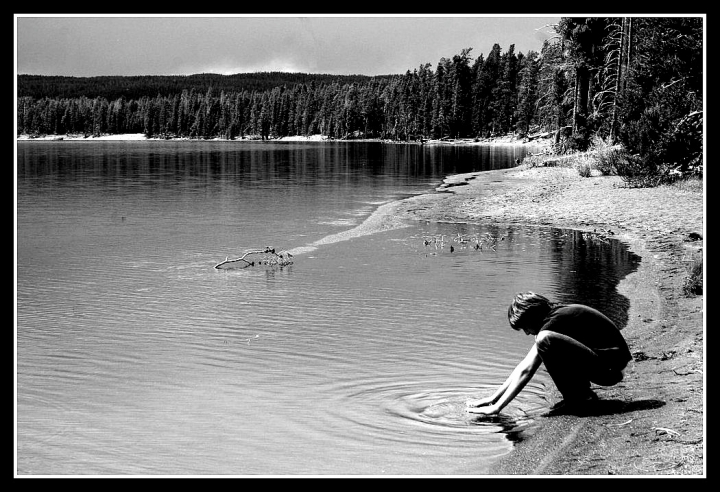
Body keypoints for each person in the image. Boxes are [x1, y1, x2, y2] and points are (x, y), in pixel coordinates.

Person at [467, 292, 632, 416]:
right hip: (607, 366)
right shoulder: (555, 316)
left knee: (544, 340)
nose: (526, 333)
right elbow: (523, 366)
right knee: (543, 341)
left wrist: (497, 408)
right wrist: (493, 399)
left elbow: (528, 369)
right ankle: (582, 395)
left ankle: (578, 400)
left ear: (534, 316)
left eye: (525, 327)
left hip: (610, 371)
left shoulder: (554, 323)